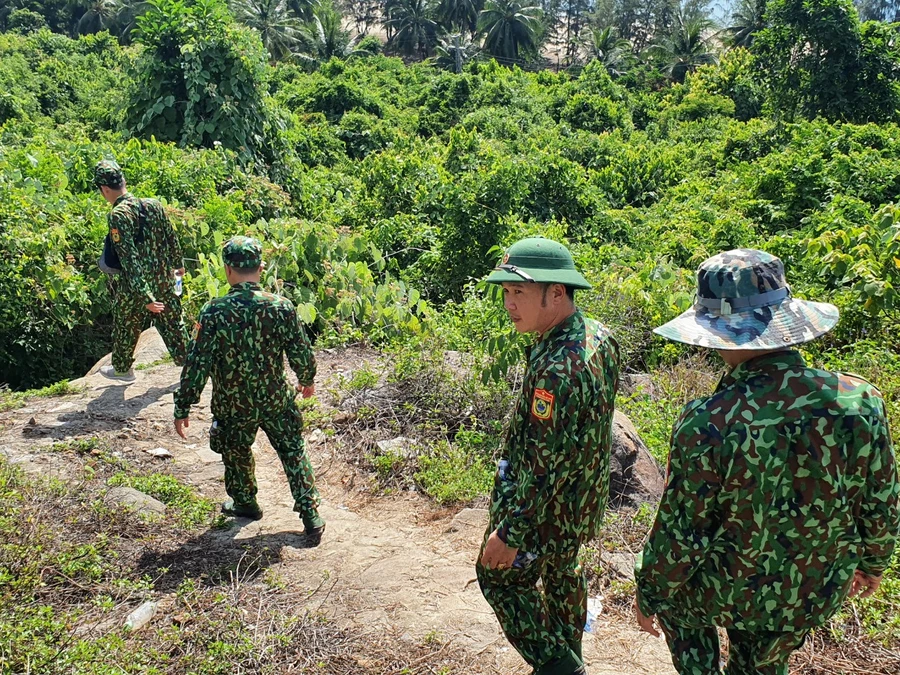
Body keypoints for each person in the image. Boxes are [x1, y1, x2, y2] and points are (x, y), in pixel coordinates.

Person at [634, 249, 900, 675]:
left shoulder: (707, 420)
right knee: (765, 660)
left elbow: (683, 532)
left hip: (727, 588)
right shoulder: (858, 400)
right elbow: (881, 498)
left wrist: (649, 591)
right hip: (809, 588)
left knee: (679, 604)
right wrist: (873, 563)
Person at [476, 237, 620, 675]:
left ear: (556, 292)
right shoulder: (598, 335)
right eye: (505, 292)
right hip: (583, 498)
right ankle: (569, 655)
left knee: (497, 576)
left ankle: (560, 665)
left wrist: (510, 532)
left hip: (547, 507)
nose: (509, 303)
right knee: (563, 573)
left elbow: (543, 465)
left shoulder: (557, 368)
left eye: (519, 292)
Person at [172, 236, 325, 543]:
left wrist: (183, 406)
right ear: (262, 268)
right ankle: (310, 514)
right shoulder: (281, 307)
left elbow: (197, 362)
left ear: (228, 270)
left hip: (233, 403)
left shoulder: (213, 312)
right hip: (276, 398)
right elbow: (301, 353)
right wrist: (307, 380)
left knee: (236, 452)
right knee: (292, 451)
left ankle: (245, 503)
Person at [94, 159, 188, 381]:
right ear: (124, 181)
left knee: (125, 322)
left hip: (137, 287)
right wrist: (178, 278)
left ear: (104, 189)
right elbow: (172, 240)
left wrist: (145, 296)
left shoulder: (118, 215)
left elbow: (129, 260)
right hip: (166, 280)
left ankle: (122, 369)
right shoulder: (153, 204)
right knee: (174, 323)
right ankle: (190, 367)